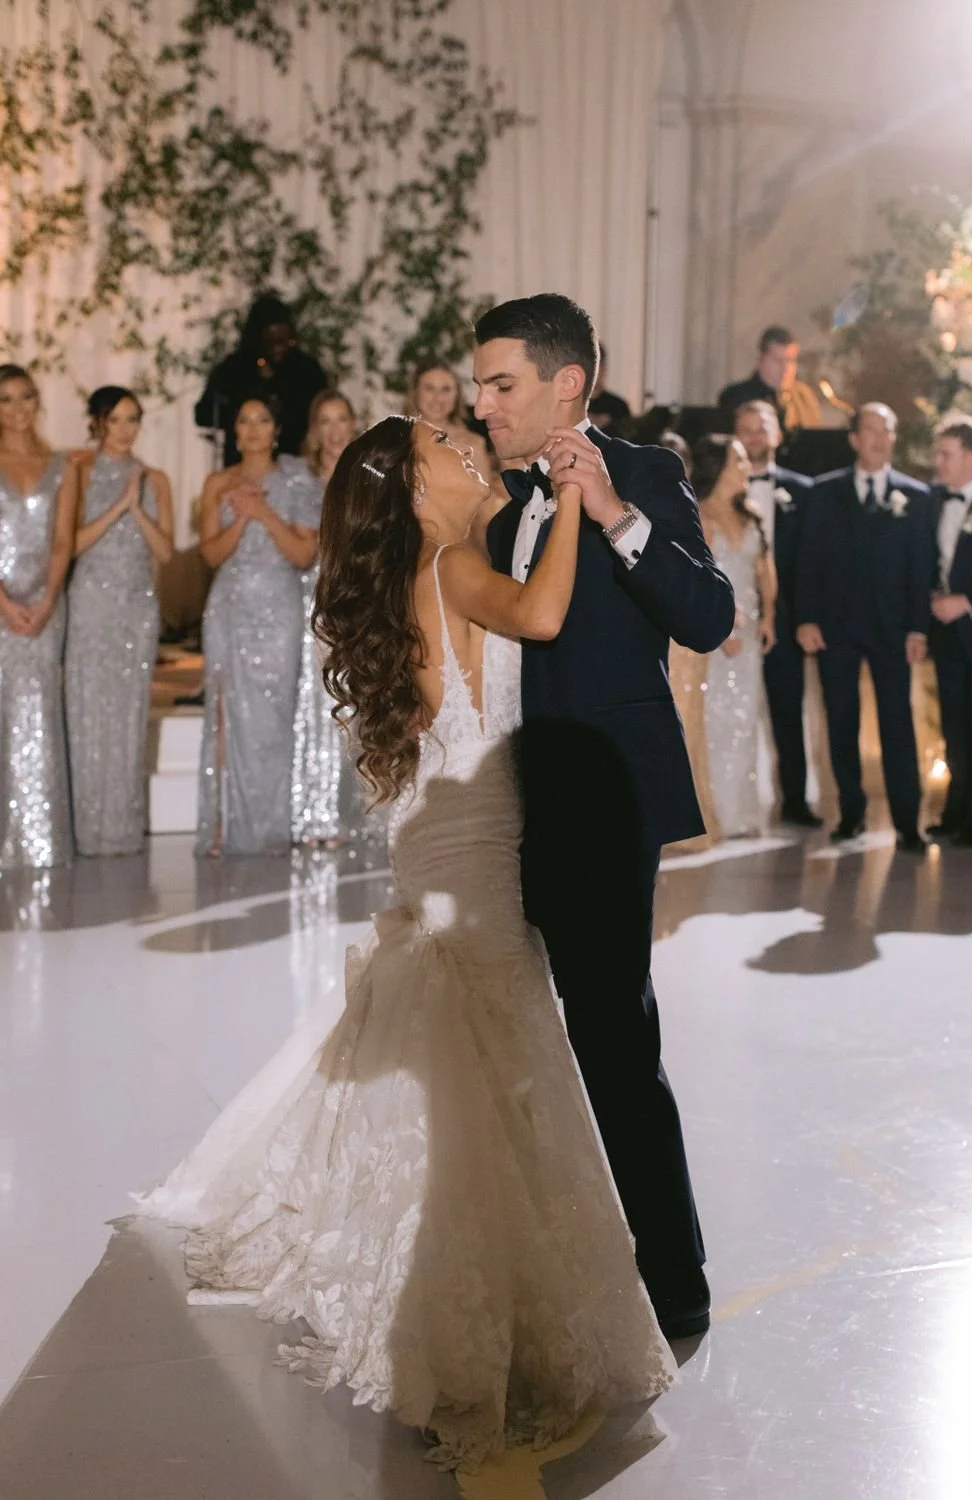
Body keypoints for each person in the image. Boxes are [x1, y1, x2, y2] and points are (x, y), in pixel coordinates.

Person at [137, 415, 674, 1468]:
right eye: (442, 444)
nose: (465, 444)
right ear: (415, 493)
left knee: (477, 1057)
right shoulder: (452, 568)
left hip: (442, 836)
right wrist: (574, 496)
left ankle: (459, 1271)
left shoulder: (416, 575)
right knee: (496, 1060)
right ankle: (473, 1320)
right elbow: (543, 612)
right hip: (469, 849)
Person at [473, 293, 736, 1339]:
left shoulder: (649, 475)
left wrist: (618, 518)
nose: (484, 405)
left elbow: (708, 617)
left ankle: (672, 1278)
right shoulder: (493, 503)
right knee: (503, 1044)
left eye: (502, 384)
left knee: (612, 1040)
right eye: (481, 386)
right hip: (495, 803)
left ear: (566, 384)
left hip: (602, 801)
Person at [795, 402, 933, 853]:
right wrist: (806, 618)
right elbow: (808, 560)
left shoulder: (916, 496)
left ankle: (908, 823)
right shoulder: (823, 492)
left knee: (898, 724)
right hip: (835, 626)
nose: (879, 438)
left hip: (893, 630)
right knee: (840, 721)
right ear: (854, 439)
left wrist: (918, 628)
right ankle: (850, 814)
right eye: (870, 430)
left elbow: (921, 569)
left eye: (886, 429)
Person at [196, 396, 319, 856]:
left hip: (279, 608)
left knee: (273, 716)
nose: (252, 429)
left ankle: (272, 826)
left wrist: (264, 513)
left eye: (262, 420)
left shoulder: (297, 480)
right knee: (227, 714)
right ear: (234, 430)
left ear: (276, 429)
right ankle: (226, 829)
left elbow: (303, 554)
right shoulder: (217, 483)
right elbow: (210, 554)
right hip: (229, 608)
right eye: (244, 421)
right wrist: (242, 516)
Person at [65, 387, 174, 856]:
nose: (126, 430)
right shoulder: (78, 472)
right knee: (87, 711)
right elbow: (69, 544)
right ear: (98, 423)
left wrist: (136, 507)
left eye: (133, 419)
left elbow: (165, 552)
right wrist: (116, 508)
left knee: (129, 715)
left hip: (136, 609)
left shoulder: (156, 479)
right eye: (116, 420)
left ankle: (121, 828)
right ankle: (84, 829)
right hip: (90, 604)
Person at [0, 365, 76, 870]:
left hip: (46, 604)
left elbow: (62, 541)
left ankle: (42, 841)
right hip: (2, 605)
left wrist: (47, 601)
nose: (18, 408)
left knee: (41, 714)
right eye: (6, 399)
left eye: (26, 396)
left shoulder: (61, 465)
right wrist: (6, 605)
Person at [735, 399, 820, 827]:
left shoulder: (804, 491)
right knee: (732, 706)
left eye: (761, 428)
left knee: (788, 711)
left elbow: (812, 562)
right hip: (730, 615)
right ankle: (729, 802)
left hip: (783, 618)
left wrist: (804, 617)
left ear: (777, 435)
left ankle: (796, 800)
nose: (754, 437)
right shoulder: (717, 488)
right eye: (746, 429)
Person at [692, 434, 777, 839]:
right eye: (738, 460)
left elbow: (765, 573)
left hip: (750, 634)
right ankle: (715, 813)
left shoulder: (751, 515)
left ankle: (742, 813)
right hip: (715, 633)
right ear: (720, 468)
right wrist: (722, 626)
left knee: (746, 717)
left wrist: (769, 616)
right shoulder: (700, 515)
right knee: (716, 718)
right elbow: (701, 580)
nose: (745, 467)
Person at [927, 415, 972, 847]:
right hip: (946, 636)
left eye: (946, 454)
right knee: (953, 725)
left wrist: (969, 601)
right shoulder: (934, 499)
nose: (938, 462)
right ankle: (954, 809)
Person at [292, 390, 354, 846]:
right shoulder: (302, 481)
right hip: (316, 597)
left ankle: (358, 811)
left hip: (360, 596)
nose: (334, 430)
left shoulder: (370, 476)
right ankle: (315, 813)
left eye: (341, 419)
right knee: (316, 703)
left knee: (358, 699)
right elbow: (303, 546)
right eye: (325, 421)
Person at [195, 294, 327, 467]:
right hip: (243, 464)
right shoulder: (233, 368)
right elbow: (204, 414)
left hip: (294, 464)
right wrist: (245, 415)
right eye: (270, 338)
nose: (277, 345)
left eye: (282, 337)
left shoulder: (307, 370)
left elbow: (320, 414)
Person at [405, 358, 491, 475]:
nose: (438, 398)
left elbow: (484, 486)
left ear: (457, 395)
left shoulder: (473, 445)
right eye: (429, 388)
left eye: (446, 389)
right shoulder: (397, 441)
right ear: (415, 393)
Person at [718, 325, 797, 416]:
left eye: (791, 360)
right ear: (760, 359)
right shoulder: (736, 396)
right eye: (777, 360)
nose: (786, 368)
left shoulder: (803, 398)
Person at [588, 344, 632, 435]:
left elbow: (627, 439)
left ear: (604, 368)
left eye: (596, 366)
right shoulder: (571, 405)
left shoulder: (618, 406)